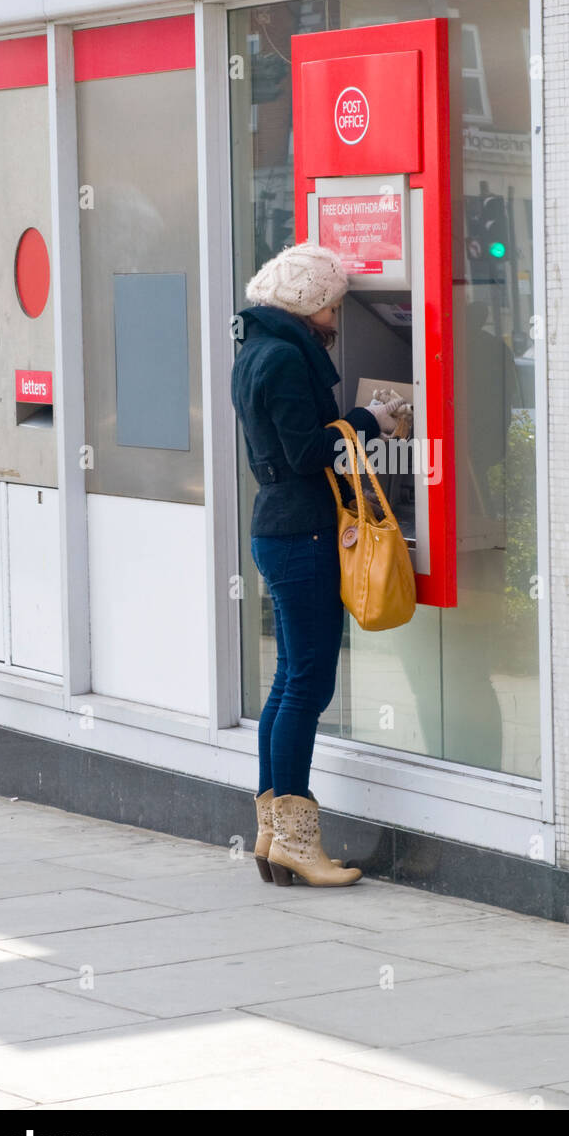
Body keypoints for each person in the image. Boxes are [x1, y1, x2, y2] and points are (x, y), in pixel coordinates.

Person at [230, 243, 398, 888]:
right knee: (307, 685)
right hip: (301, 534)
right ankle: (298, 845)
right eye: (330, 302)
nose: (335, 316)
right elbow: (308, 452)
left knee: (289, 683)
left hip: (283, 529)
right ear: (309, 304)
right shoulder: (282, 358)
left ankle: (274, 834)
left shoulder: (257, 351)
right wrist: (370, 420)